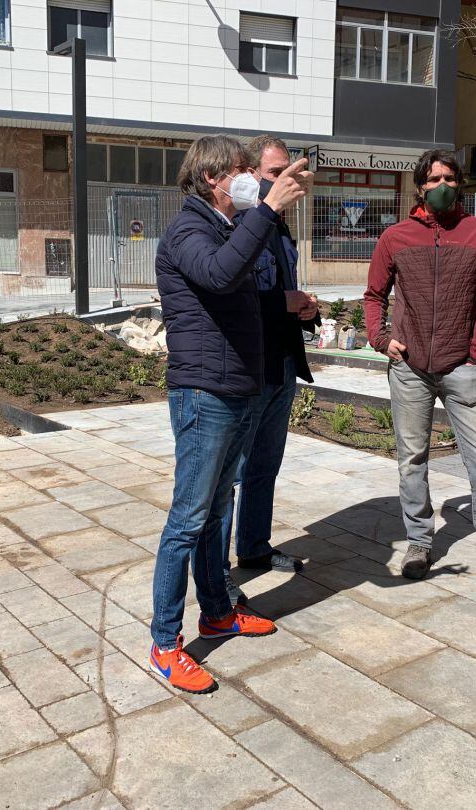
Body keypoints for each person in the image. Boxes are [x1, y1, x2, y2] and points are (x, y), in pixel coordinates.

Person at [149, 135, 311, 694]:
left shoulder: (225, 228)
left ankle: (217, 612)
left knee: (218, 510)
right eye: (241, 170)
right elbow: (219, 275)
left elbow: (241, 292)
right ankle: (165, 643)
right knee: (188, 519)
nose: (250, 179)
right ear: (212, 178)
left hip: (237, 386)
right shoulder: (188, 231)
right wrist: (267, 209)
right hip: (204, 393)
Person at [364, 150, 476, 590]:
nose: (442, 185)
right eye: (433, 179)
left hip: (462, 368)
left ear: (460, 184)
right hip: (410, 368)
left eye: (449, 178)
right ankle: (419, 541)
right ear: (420, 187)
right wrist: (381, 339)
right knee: (411, 460)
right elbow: (374, 295)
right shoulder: (396, 237)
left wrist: (474, 352)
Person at [220, 135, 319, 606]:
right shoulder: (239, 227)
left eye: (288, 172)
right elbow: (230, 295)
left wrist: (303, 308)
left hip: (282, 363)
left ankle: (254, 546)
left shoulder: (280, 227)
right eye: (275, 173)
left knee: (265, 465)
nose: (284, 181)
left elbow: (282, 290)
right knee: (230, 473)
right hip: (249, 368)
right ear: (251, 176)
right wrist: (283, 301)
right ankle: (217, 570)